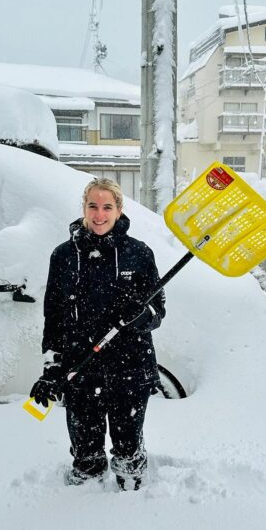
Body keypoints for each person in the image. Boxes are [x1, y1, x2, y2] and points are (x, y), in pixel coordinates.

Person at [30, 178, 165, 491]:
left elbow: (158, 311)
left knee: (129, 444)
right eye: (93, 206)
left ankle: (131, 485)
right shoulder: (64, 256)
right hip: (82, 365)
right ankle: (85, 495)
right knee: (86, 448)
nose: (99, 214)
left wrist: (141, 315)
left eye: (107, 206)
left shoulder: (139, 254)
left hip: (130, 366)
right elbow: (54, 317)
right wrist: (52, 367)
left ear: (119, 210)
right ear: (84, 209)